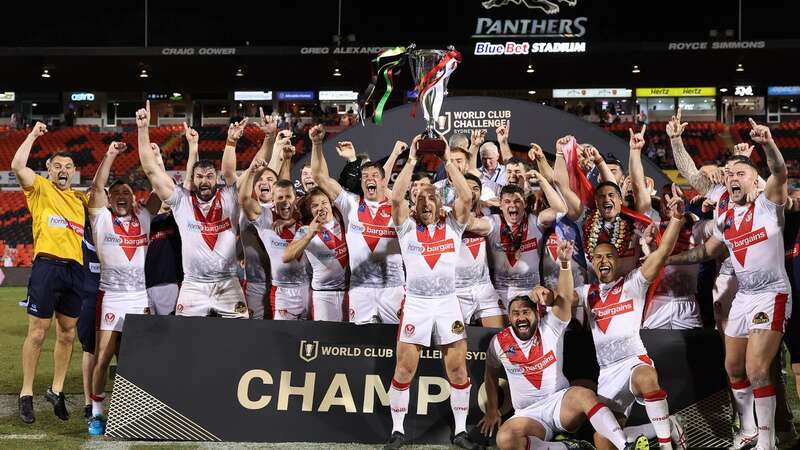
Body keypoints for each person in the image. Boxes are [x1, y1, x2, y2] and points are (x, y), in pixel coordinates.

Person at [667, 119, 790, 450]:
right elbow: (694, 178)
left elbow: (779, 172)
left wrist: (767, 144)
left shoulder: (769, 202)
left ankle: (768, 441)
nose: (733, 178)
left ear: (754, 179)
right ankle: (747, 429)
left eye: (741, 173)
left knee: (758, 369)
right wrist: (677, 141)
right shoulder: (722, 201)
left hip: (772, 293)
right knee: (734, 368)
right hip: (744, 296)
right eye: (730, 173)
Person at [480, 245, 647, 450]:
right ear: (509, 317)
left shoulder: (550, 326)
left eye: (526, 312)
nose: (521, 317)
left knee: (584, 394)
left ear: (537, 314)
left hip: (559, 404)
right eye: (515, 313)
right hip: (528, 414)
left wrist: (565, 264)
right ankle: (568, 448)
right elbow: (490, 373)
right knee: (504, 440)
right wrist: (492, 410)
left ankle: (624, 446)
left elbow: (565, 299)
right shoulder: (499, 342)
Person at [568, 187, 687, 450]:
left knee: (647, 378)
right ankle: (669, 425)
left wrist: (677, 220)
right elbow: (562, 299)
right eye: (598, 257)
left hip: (633, 361)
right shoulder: (587, 293)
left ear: (618, 261)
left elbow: (663, 253)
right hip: (607, 373)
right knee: (602, 440)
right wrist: (548, 291)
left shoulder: (633, 283)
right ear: (593, 264)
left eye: (609, 256)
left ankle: (667, 446)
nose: (603, 261)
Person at [384, 134, 480, 450]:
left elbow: (466, 196)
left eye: (431, 198)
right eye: (421, 199)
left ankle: (461, 431)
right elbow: (396, 199)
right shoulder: (406, 226)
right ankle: (397, 431)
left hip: (448, 304)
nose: (425, 203)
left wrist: (446, 160)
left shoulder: (453, 225)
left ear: (440, 203)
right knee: (404, 368)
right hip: (417, 305)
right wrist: (411, 160)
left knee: (457, 368)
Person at [136, 101, 248, 318]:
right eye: (199, 176)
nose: (204, 181)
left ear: (216, 179)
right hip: (193, 286)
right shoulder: (181, 201)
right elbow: (150, 170)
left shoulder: (229, 197)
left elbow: (232, 170)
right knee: (184, 341)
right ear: (192, 179)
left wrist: (232, 142)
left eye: (209, 176)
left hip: (228, 282)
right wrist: (143, 129)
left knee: (240, 337)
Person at [13, 122, 88, 424]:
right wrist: (32, 135)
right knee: (38, 331)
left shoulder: (80, 199)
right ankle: (26, 394)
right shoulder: (39, 189)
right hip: (47, 266)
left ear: (73, 171)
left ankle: (56, 391)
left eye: (68, 167)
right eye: (57, 166)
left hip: (75, 270)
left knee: (68, 334)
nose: (63, 170)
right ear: (49, 169)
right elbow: (18, 165)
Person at [86, 141, 155, 436]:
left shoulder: (145, 216)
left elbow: (161, 188)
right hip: (111, 295)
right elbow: (97, 185)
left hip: (140, 296)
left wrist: (154, 156)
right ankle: (98, 413)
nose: (121, 197)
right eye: (116, 194)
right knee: (103, 356)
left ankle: (134, 410)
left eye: (126, 192)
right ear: (109, 200)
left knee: (135, 358)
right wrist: (111, 155)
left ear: (134, 197)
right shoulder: (101, 217)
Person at [311, 125, 405, 324]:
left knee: (396, 344)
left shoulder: (398, 208)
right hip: (360, 290)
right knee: (360, 343)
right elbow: (320, 178)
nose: (368, 180)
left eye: (374, 176)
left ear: (383, 181)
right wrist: (317, 144)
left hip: (393, 289)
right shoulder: (350, 203)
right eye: (365, 177)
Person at [240, 163, 310, 320]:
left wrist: (291, 220)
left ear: (296, 199)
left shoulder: (305, 215)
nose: (285, 201)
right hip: (281, 291)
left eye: (288, 197)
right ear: (272, 199)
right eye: (279, 198)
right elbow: (244, 200)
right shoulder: (265, 218)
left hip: (308, 289)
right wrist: (251, 173)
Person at [487, 175, 566, 310]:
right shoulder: (492, 222)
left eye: (517, 201)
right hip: (500, 292)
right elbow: (466, 222)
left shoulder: (536, 221)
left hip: (531, 291)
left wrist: (542, 180)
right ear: (500, 205)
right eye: (507, 201)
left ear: (524, 203)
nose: (512, 205)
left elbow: (561, 210)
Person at [283, 187, 348, 321]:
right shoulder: (306, 230)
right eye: (315, 205)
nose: (320, 208)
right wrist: (309, 236)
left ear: (331, 203)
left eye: (324, 203)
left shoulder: (344, 222)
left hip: (349, 293)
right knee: (325, 339)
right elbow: (286, 256)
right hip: (323, 296)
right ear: (310, 211)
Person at [456, 173, 505, 328]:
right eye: (466, 187)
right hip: (455, 290)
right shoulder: (444, 213)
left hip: (484, 287)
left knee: (497, 336)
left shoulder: (489, 216)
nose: (471, 191)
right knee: (454, 343)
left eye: (475, 188)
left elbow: (469, 223)